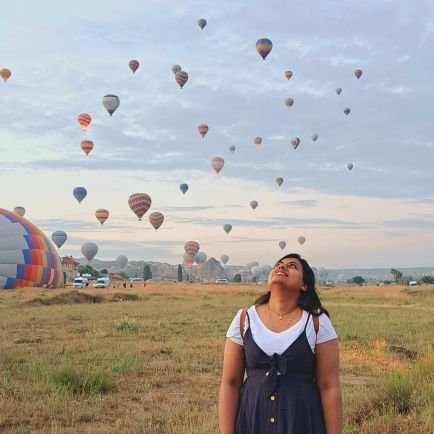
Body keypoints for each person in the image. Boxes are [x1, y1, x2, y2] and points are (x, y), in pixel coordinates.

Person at [218, 253, 342, 434]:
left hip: (302, 421)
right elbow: (230, 383)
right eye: (278, 265)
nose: (281, 267)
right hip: (253, 420)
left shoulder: (317, 322)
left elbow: (329, 387)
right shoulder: (244, 319)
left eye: (292, 266)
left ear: (304, 284)